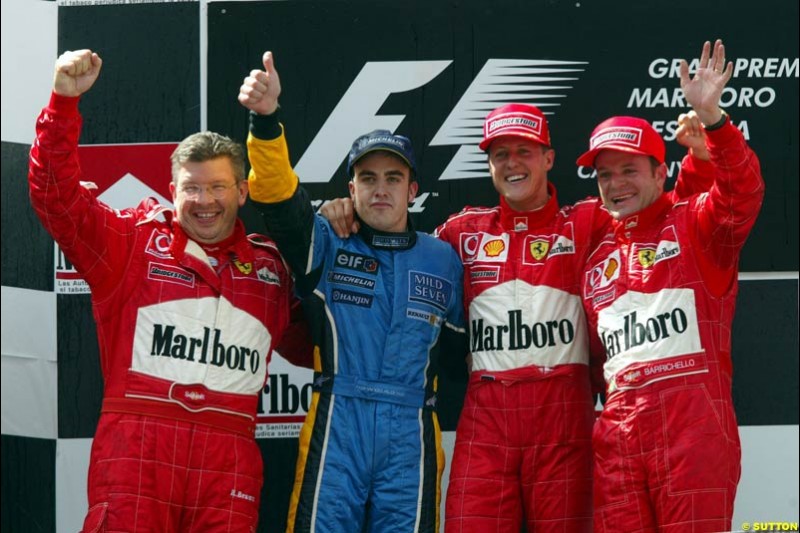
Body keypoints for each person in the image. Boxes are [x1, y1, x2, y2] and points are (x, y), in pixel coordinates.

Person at [29, 49, 297, 532]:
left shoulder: (271, 270)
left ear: (242, 191)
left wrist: (348, 218)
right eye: (191, 188)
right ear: (171, 190)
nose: (204, 201)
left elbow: (325, 336)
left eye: (217, 187)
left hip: (228, 461)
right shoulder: (130, 244)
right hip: (136, 453)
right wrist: (63, 105)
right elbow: (57, 199)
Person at [238, 51, 466, 533]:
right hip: (338, 422)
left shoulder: (443, 258)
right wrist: (266, 123)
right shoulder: (326, 240)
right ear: (352, 187)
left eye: (393, 178)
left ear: (413, 190)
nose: (380, 189)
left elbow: (462, 357)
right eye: (368, 178)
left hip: (413, 429)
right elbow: (278, 199)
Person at [579, 39, 764, 533]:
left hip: (694, 434)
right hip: (617, 437)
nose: (615, 184)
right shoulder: (594, 261)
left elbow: (741, 194)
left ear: (662, 171)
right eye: (604, 175)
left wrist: (714, 122)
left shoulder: (695, 224)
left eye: (629, 170)